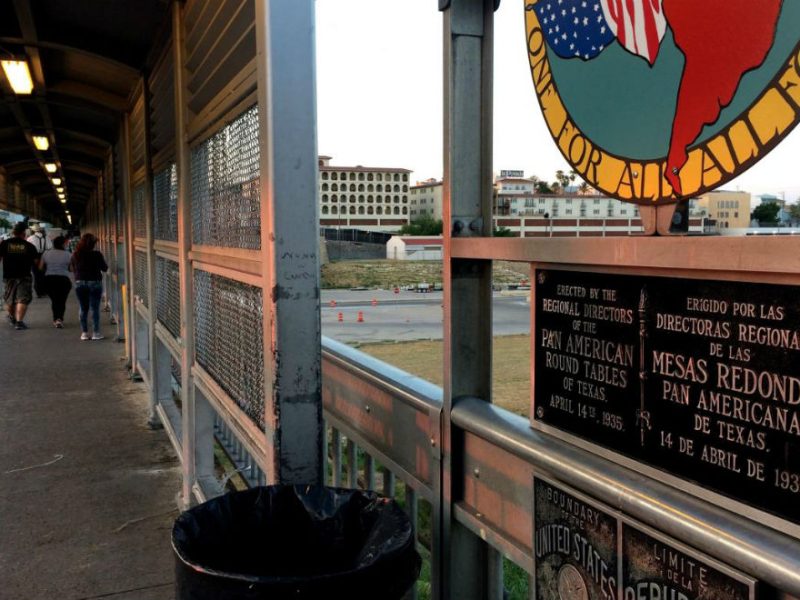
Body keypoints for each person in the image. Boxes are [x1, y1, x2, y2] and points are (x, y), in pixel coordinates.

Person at [0, 222, 40, 330]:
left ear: (13, 232)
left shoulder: (4, 244)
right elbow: (36, 261)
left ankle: (12, 318)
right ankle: (19, 322)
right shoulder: (29, 246)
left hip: (9, 276)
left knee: (9, 299)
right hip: (24, 276)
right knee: (22, 299)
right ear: (24, 233)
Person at [70, 233, 108, 341]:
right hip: (95, 283)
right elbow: (104, 268)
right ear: (93, 244)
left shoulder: (75, 254)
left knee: (83, 308)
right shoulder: (97, 254)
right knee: (95, 309)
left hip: (80, 283)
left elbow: (72, 269)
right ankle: (96, 333)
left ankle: (84, 333)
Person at [41, 236, 73, 328]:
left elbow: (40, 267)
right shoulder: (68, 254)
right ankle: (59, 319)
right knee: (62, 300)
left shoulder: (46, 253)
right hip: (63, 280)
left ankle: (56, 319)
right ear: (63, 244)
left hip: (49, 280)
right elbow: (71, 269)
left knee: (54, 300)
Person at [26, 224, 52, 298]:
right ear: (40, 230)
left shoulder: (30, 238)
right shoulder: (46, 237)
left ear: (33, 230)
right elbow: (49, 247)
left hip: (34, 258)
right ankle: (45, 291)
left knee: (36, 275)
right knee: (44, 274)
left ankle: (39, 292)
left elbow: (28, 249)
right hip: (44, 256)